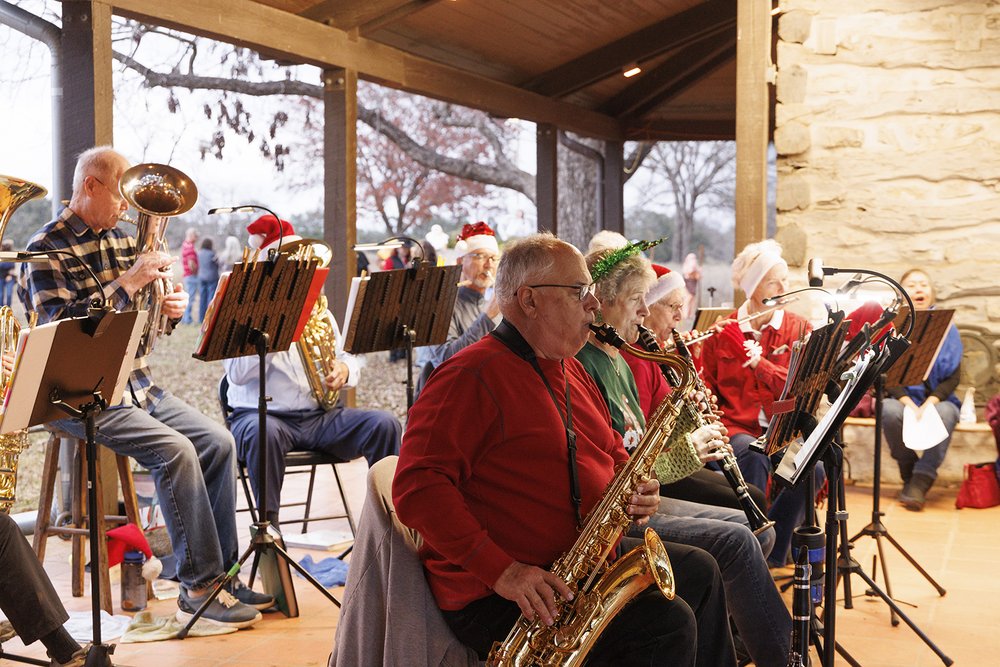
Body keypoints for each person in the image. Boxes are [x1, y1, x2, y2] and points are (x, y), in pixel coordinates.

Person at [393, 234, 736, 667]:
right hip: (502, 591)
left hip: (571, 566)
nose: (593, 304)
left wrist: (637, 485)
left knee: (703, 572)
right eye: (579, 292)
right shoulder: (468, 376)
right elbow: (417, 487)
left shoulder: (570, 367)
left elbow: (611, 451)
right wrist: (504, 571)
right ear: (529, 300)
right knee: (665, 622)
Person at [19, 146, 268, 629]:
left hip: (137, 384)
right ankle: (197, 589)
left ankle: (223, 578)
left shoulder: (120, 237)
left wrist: (167, 312)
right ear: (89, 186)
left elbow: (141, 330)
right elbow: (63, 327)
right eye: (119, 195)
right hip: (77, 394)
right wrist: (131, 282)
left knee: (218, 443)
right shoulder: (43, 248)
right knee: (176, 451)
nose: (128, 209)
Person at [578, 244, 791, 667]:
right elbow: (622, 461)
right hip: (616, 509)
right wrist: (686, 451)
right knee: (736, 536)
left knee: (747, 518)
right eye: (640, 300)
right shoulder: (593, 363)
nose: (645, 311)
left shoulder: (624, 357)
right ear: (601, 302)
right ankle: (777, 652)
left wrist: (691, 419)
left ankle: (747, 633)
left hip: (640, 493)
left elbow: (646, 433)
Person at [224, 215, 402, 527]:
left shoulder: (318, 311)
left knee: (384, 424)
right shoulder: (244, 312)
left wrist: (345, 369)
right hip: (261, 416)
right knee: (263, 433)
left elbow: (350, 353)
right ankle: (269, 531)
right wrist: (276, 333)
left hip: (320, 417)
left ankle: (390, 522)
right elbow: (236, 375)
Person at [701, 239, 818, 568]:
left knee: (814, 468)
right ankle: (754, 549)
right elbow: (706, 388)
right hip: (737, 427)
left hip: (785, 427)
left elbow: (800, 389)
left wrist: (761, 365)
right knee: (753, 455)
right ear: (752, 288)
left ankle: (771, 553)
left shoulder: (799, 328)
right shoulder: (722, 332)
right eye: (773, 281)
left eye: (786, 279)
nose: (784, 287)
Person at [882, 269, 963, 510]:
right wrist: (908, 402)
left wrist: (929, 404)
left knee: (948, 414)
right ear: (902, 293)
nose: (919, 289)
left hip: (937, 400)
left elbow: (954, 377)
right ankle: (908, 470)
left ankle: (921, 478)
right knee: (888, 410)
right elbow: (886, 375)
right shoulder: (893, 327)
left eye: (923, 284)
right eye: (912, 285)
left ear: (931, 292)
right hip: (903, 397)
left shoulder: (949, 328)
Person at [414, 221, 501, 397]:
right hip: (454, 397)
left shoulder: (494, 302)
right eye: (480, 256)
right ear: (461, 261)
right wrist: (487, 317)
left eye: (493, 258)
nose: (489, 264)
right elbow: (446, 359)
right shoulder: (441, 304)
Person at [196, 237, 220, 323]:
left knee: (202, 298)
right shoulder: (212, 254)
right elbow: (217, 265)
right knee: (211, 298)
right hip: (212, 278)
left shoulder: (199, 253)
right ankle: (209, 318)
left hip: (201, 277)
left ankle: (201, 319)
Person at [180, 227, 199, 324]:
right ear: (192, 235)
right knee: (190, 299)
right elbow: (191, 263)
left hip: (186, 275)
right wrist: (196, 272)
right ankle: (187, 319)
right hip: (191, 276)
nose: (197, 239)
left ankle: (184, 319)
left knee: (187, 297)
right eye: (196, 236)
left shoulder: (184, 245)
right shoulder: (190, 247)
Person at [0, 240, 16, 308]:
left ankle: (8, 309)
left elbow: (12, 267)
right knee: (0, 295)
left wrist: (9, 275)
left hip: (9, 277)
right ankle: (1, 310)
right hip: (0, 277)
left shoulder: (11, 255)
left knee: (9, 294)